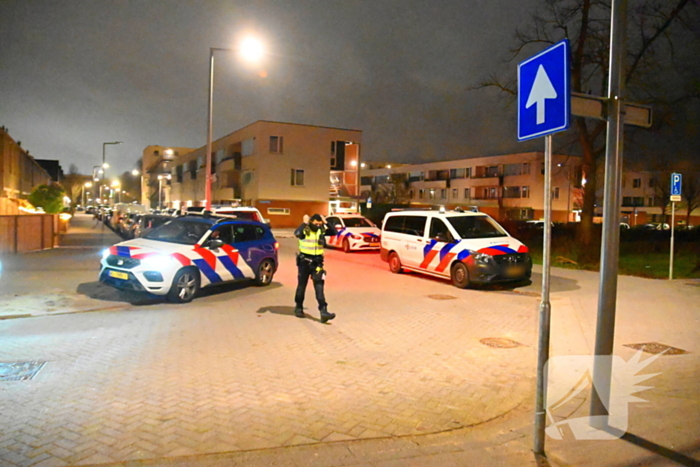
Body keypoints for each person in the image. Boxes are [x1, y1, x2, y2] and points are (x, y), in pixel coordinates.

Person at [294, 213, 338, 322]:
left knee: (319, 287)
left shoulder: (321, 230)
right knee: (302, 286)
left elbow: (334, 232)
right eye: (316, 223)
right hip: (305, 262)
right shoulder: (305, 230)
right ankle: (298, 307)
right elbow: (297, 233)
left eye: (320, 223)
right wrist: (304, 223)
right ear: (311, 222)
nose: (318, 225)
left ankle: (324, 311)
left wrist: (326, 222)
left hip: (317, 263)